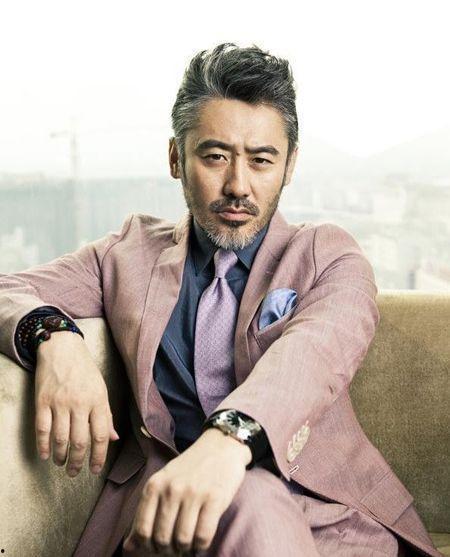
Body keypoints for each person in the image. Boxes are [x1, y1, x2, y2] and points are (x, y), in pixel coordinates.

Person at [0, 43, 441, 557]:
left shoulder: (327, 255)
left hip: (327, 525)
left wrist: (227, 442)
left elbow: (313, 356)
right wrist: (56, 339)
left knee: (251, 495)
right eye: (215, 157)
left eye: (261, 161)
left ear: (289, 166)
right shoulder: (128, 255)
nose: (238, 186)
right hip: (169, 523)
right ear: (175, 158)